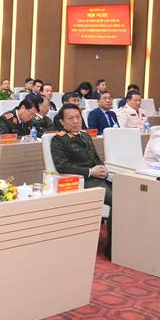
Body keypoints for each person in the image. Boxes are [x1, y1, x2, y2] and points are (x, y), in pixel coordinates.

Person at [49, 104, 113, 257]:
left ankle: (125, 239)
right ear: (62, 122)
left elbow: (96, 158)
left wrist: (102, 168)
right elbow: (62, 166)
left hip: (100, 177)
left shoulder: (85, 135)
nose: (76, 121)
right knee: (118, 201)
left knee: (129, 195)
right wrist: (90, 172)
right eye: (70, 118)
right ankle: (113, 247)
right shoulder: (59, 140)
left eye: (78, 117)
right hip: (84, 181)